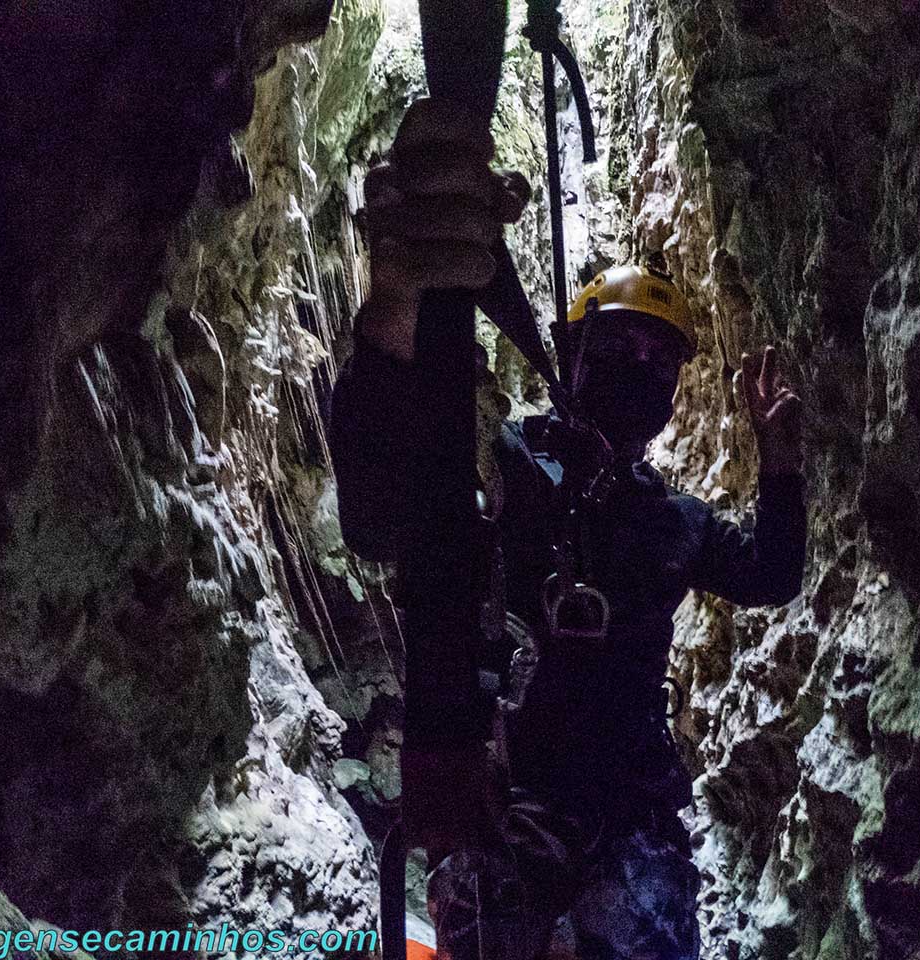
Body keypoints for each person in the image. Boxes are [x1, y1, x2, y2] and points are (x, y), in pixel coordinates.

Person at [328, 98, 806, 960]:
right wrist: (394, 314)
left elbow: (772, 574)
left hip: (631, 813)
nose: (644, 370)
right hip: (506, 799)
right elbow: (382, 515)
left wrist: (779, 463)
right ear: (572, 350)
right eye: (624, 346)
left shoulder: (674, 521)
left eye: (662, 360)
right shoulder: (505, 463)